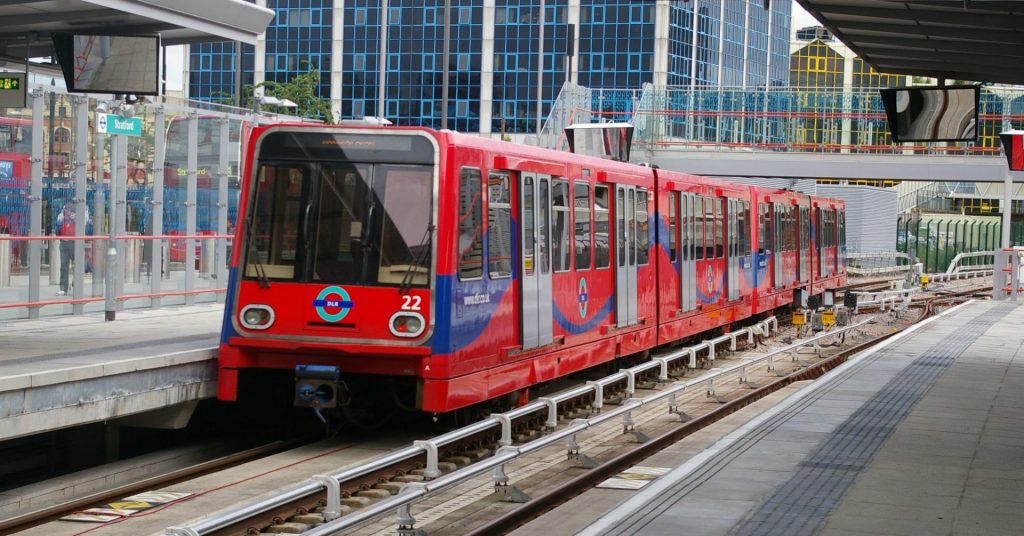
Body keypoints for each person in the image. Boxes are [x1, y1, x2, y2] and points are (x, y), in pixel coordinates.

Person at [54, 202, 91, 296]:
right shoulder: (64, 208)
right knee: (63, 266)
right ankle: (63, 288)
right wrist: (64, 215)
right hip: (64, 242)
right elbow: (58, 221)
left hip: (75, 242)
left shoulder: (83, 208)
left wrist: (74, 217)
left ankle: (76, 286)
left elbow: (84, 221)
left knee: (78, 266)